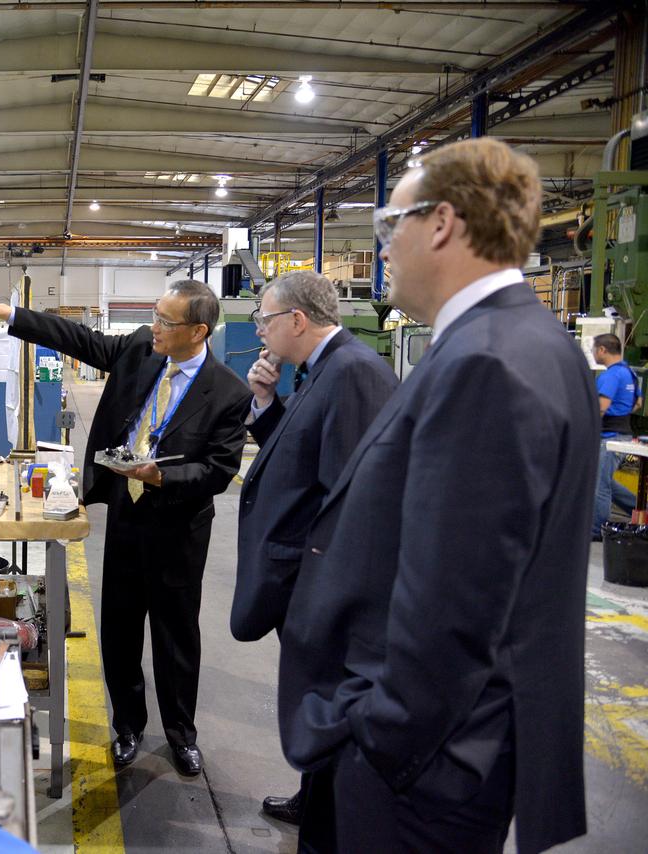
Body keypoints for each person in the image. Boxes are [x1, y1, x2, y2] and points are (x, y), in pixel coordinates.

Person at [278, 138, 597, 853]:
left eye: (392, 228)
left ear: (444, 223)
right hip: (450, 749)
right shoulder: (522, 340)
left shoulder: (487, 361)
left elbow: (455, 600)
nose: (382, 249)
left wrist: (378, 733)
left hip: (425, 766)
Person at [0, 276, 251, 776]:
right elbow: (79, 339)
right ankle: (128, 726)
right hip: (128, 517)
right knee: (119, 627)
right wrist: (7, 313)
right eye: (154, 314)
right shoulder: (140, 348)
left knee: (177, 637)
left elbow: (218, 471)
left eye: (164, 320)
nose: (152, 326)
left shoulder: (228, 392)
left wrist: (162, 475)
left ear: (198, 331)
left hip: (177, 529)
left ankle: (181, 734)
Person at [232, 270, 397, 827]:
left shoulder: (352, 374)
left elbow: (351, 495)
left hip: (319, 578)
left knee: (327, 687)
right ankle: (317, 794)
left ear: (296, 320)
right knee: (315, 688)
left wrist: (321, 587)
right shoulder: (318, 369)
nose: (260, 331)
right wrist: (264, 401)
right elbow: (302, 453)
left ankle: (328, 809)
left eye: (265, 320)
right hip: (303, 572)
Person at [590, 332, 640, 539]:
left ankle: (597, 531)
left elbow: (601, 408)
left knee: (599, 484)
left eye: (594, 349)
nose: (593, 353)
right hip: (623, 434)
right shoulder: (630, 373)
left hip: (609, 438)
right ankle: (639, 511)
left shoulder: (610, 375)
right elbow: (637, 404)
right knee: (606, 482)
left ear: (602, 350)